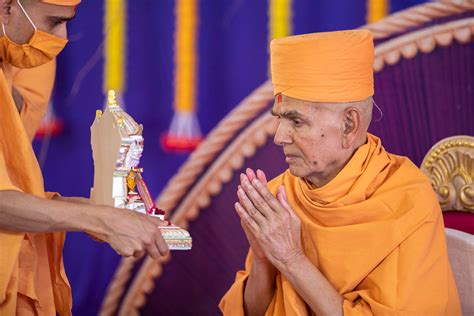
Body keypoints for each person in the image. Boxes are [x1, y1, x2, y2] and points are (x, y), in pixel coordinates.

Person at [220, 30, 461, 315]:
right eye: (279, 119)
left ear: (349, 125)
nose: (279, 136)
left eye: (296, 121)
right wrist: (262, 260)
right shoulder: (281, 196)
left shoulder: (407, 201)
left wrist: (291, 257)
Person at [0, 1, 169, 315]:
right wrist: (100, 219)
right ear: (7, 8)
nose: (62, 38)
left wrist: (97, 211)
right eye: (53, 22)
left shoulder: (17, 58)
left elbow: (16, 197)